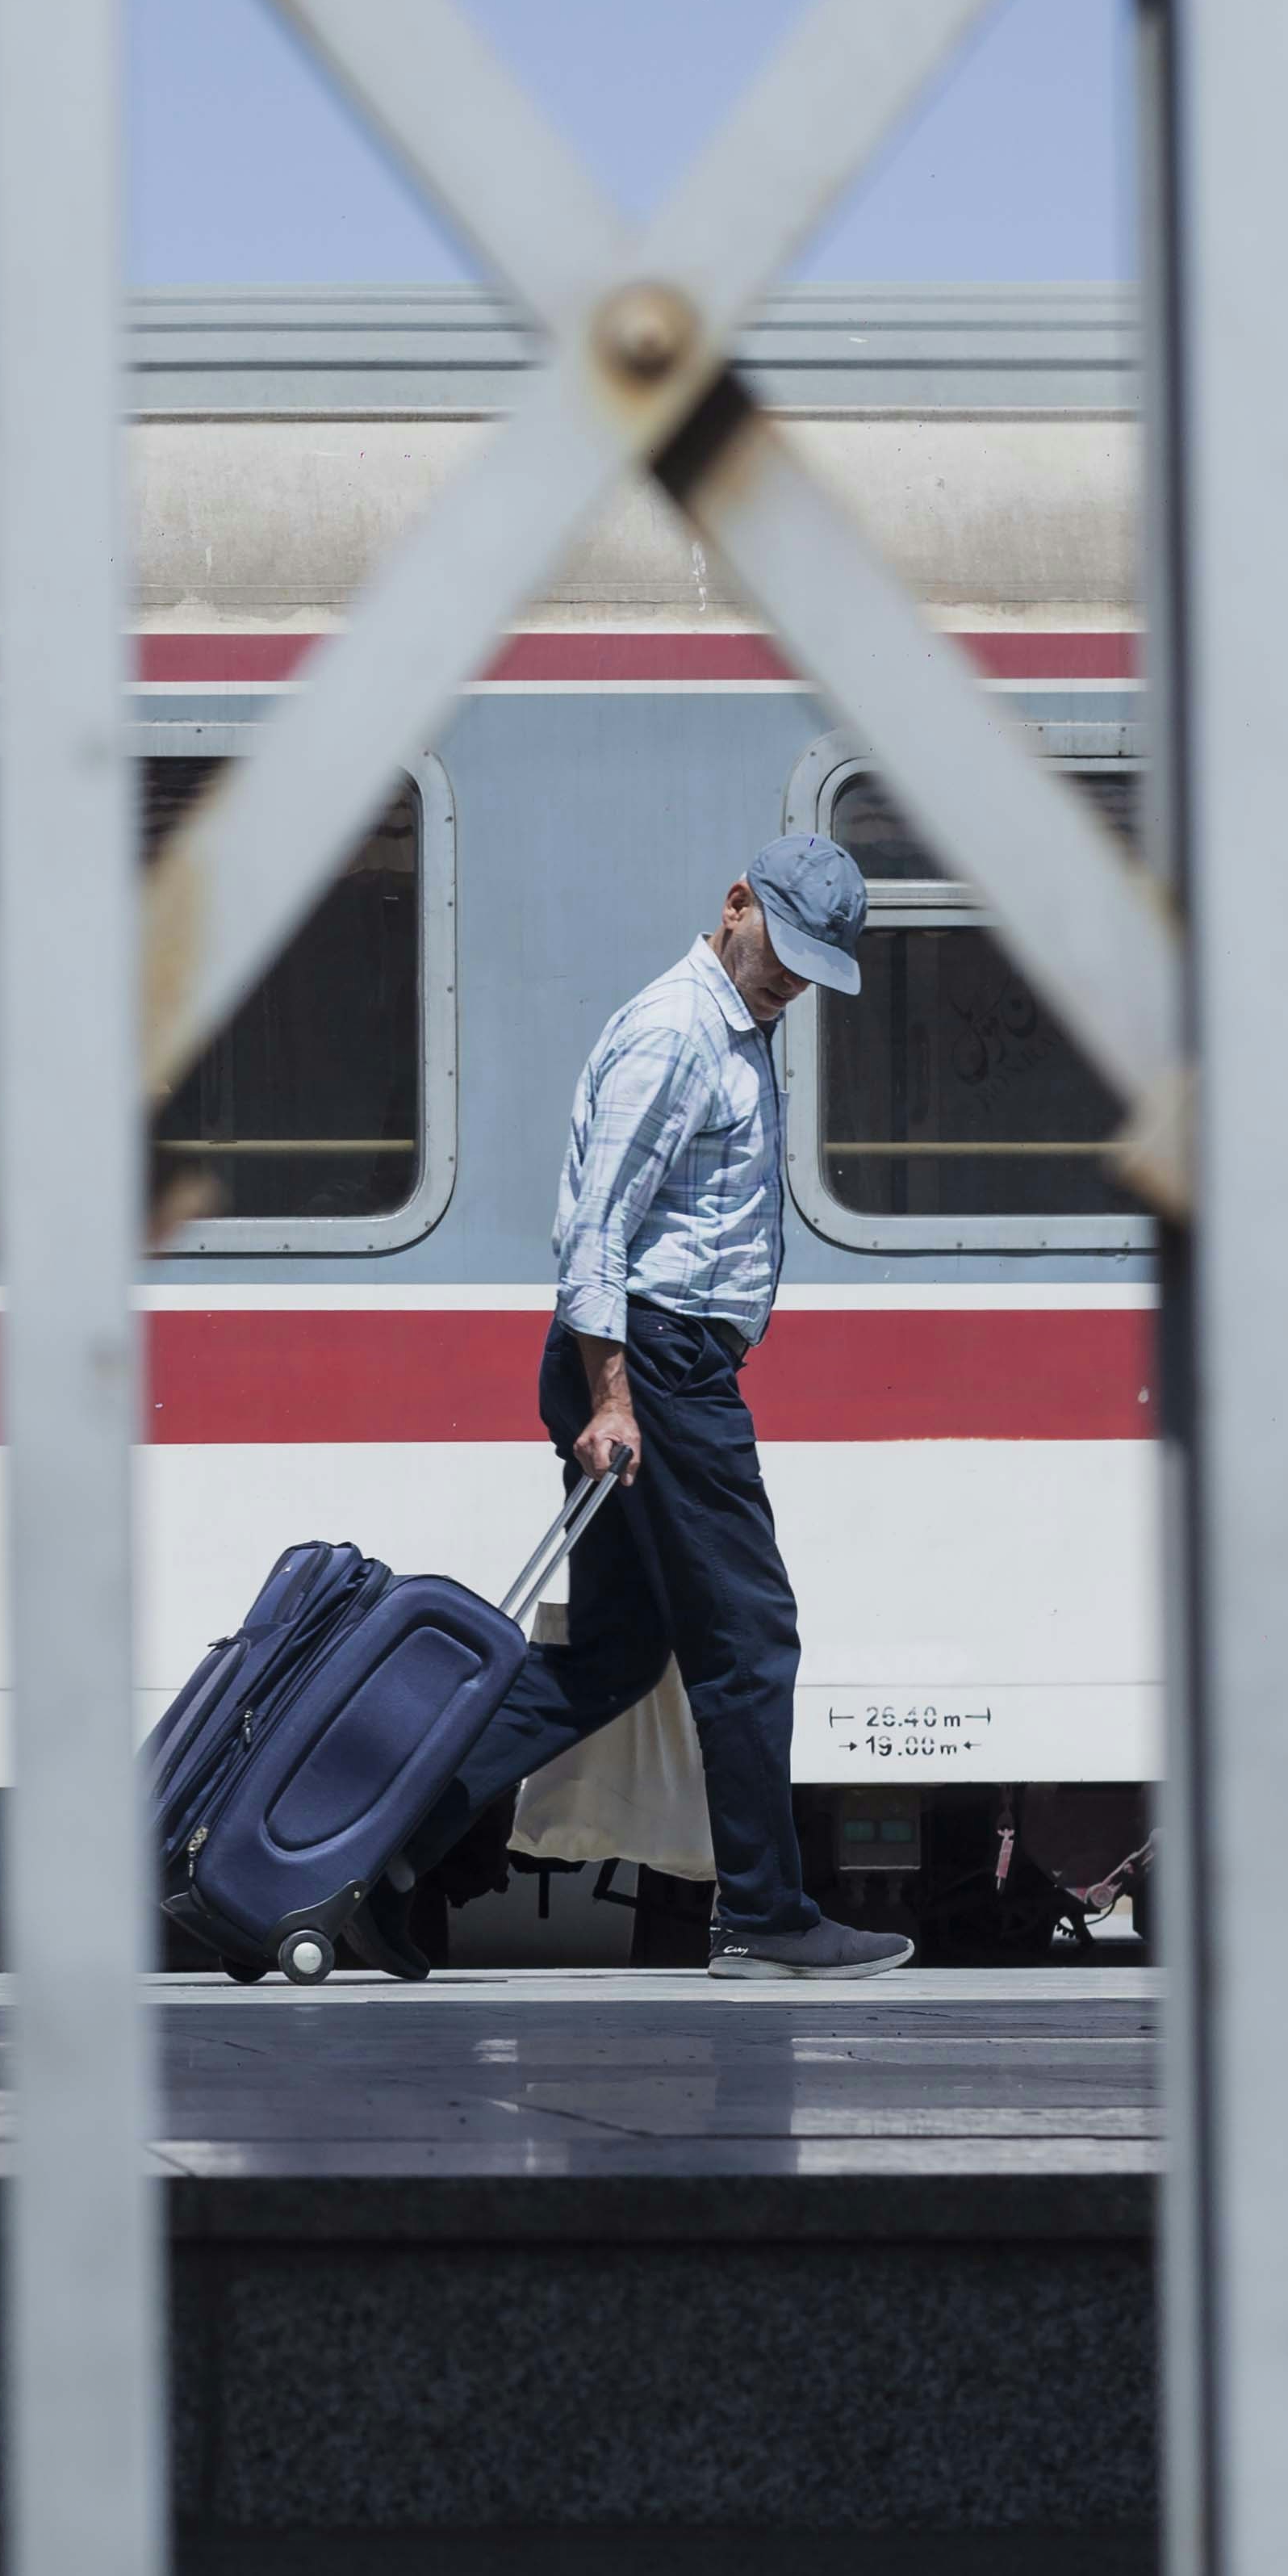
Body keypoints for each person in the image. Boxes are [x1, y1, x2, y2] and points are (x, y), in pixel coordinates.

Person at [394, 835, 912, 1981]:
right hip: (651, 1366)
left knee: (619, 1651)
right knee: (749, 1637)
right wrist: (612, 1396)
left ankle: (385, 1847)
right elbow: (592, 1233)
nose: (791, 985)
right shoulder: (678, 1033)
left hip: (657, 1364)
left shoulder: (735, 1028)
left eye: (813, 969)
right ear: (734, 905)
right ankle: (764, 1917)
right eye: (781, 954)